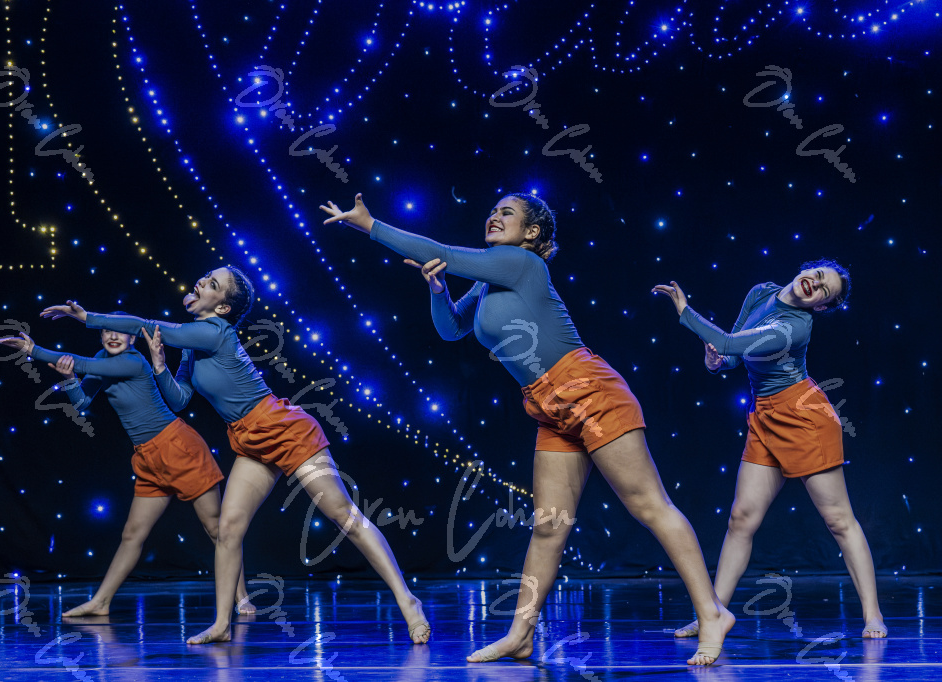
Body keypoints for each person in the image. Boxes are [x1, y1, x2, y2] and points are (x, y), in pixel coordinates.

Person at [321, 193, 734, 665]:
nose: (493, 216)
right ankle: (520, 635)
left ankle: (712, 613)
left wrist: (370, 225)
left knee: (650, 506)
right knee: (549, 526)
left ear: (532, 233)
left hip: (589, 391)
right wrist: (437, 291)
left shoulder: (520, 264)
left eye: (507, 213)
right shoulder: (488, 281)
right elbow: (452, 329)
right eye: (492, 210)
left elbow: (443, 251)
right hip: (547, 404)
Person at [40, 266, 430, 645]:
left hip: (284, 429)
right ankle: (222, 624)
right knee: (228, 530)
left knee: (343, 515)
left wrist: (86, 318)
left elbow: (146, 324)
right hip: (249, 440)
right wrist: (160, 367)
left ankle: (407, 600)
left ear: (223, 307)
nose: (201, 282)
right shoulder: (192, 345)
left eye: (212, 284)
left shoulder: (214, 331)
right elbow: (180, 399)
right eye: (205, 277)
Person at [652, 261, 886, 639]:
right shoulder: (761, 292)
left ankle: (873, 616)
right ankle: (712, 614)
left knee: (839, 521)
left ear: (821, 306)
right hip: (765, 414)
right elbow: (731, 353)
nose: (815, 285)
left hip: (804, 418)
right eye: (818, 275)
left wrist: (685, 311)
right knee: (741, 519)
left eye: (824, 291)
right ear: (807, 269)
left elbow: (728, 342)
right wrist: (715, 363)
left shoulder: (794, 327)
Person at [0, 323, 255, 617]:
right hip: (147, 457)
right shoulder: (102, 360)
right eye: (106, 332)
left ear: (131, 337)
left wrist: (33, 350)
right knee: (132, 534)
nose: (112, 336)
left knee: (216, 529)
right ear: (100, 336)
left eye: (118, 331)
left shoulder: (132, 361)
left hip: (178, 447)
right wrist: (69, 379)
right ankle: (101, 602)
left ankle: (241, 597)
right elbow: (80, 403)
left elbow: (81, 362)